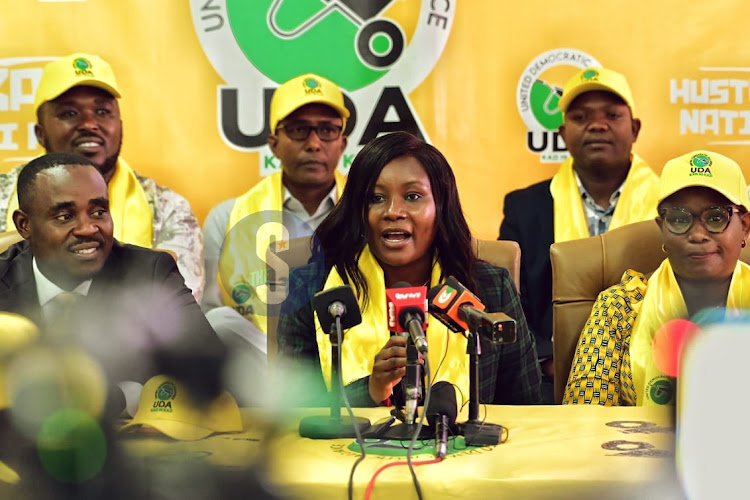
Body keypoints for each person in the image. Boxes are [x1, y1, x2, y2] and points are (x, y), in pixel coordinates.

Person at [277, 132, 542, 407]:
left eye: (413, 196)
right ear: (359, 211)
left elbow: (527, 408)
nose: (393, 211)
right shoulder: (311, 288)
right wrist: (369, 390)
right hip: (345, 450)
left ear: (440, 207)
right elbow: (291, 411)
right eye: (376, 198)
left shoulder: (490, 287)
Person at [0, 152, 225, 394]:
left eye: (98, 212)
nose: (88, 229)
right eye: (65, 216)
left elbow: (211, 376)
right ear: (24, 225)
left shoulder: (149, 273)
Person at [499, 67, 659, 403]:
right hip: (548, 378)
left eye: (612, 115)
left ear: (635, 129)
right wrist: (544, 360)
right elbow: (512, 303)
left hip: (655, 372)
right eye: (581, 116)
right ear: (562, 133)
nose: (597, 125)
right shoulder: (524, 208)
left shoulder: (671, 206)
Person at [0, 53, 204, 300]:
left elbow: (176, 303)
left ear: (120, 125)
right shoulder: (3, 194)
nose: (89, 123)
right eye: (69, 113)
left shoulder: (168, 207)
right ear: (40, 133)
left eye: (102, 111)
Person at [201, 73, 349, 404]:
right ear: (274, 143)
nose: (314, 143)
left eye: (327, 130)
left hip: (353, 356)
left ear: (343, 142)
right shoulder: (228, 217)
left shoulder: (369, 211)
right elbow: (208, 314)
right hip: (265, 365)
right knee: (218, 321)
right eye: (298, 129)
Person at [564, 150, 750, 406]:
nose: (697, 235)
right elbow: (584, 420)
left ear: (745, 227)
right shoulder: (620, 306)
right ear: (662, 228)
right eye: (679, 218)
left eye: (716, 218)